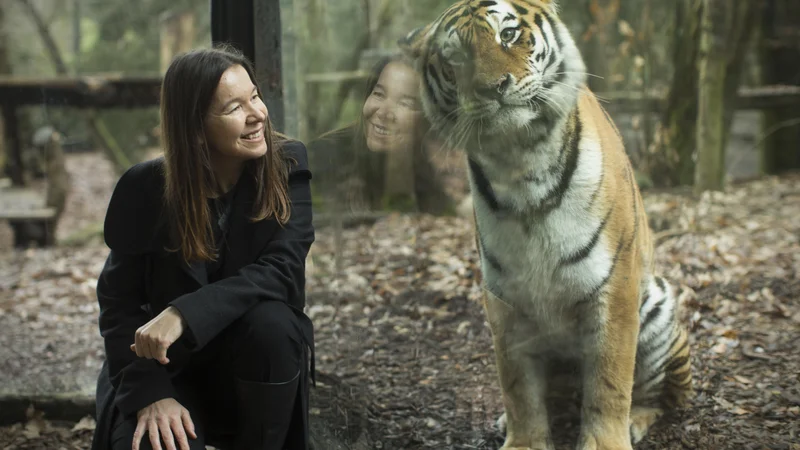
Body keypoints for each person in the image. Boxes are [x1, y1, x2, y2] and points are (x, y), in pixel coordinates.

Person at [90, 44, 315, 450]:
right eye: (234, 108)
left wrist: (183, 314)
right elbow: (119, 307)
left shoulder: (288, 165)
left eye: (255, 96)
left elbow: (281, 269)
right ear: (194, 127)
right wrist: (152, 395)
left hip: (253, 369)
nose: (257, 115)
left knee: (273, 323)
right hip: (165, 372)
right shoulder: (144, 188)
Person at [308, 55, 453, 215]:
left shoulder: (434, 168)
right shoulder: (322, 158)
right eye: (378, 94)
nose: (384, 113)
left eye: (405, 103)